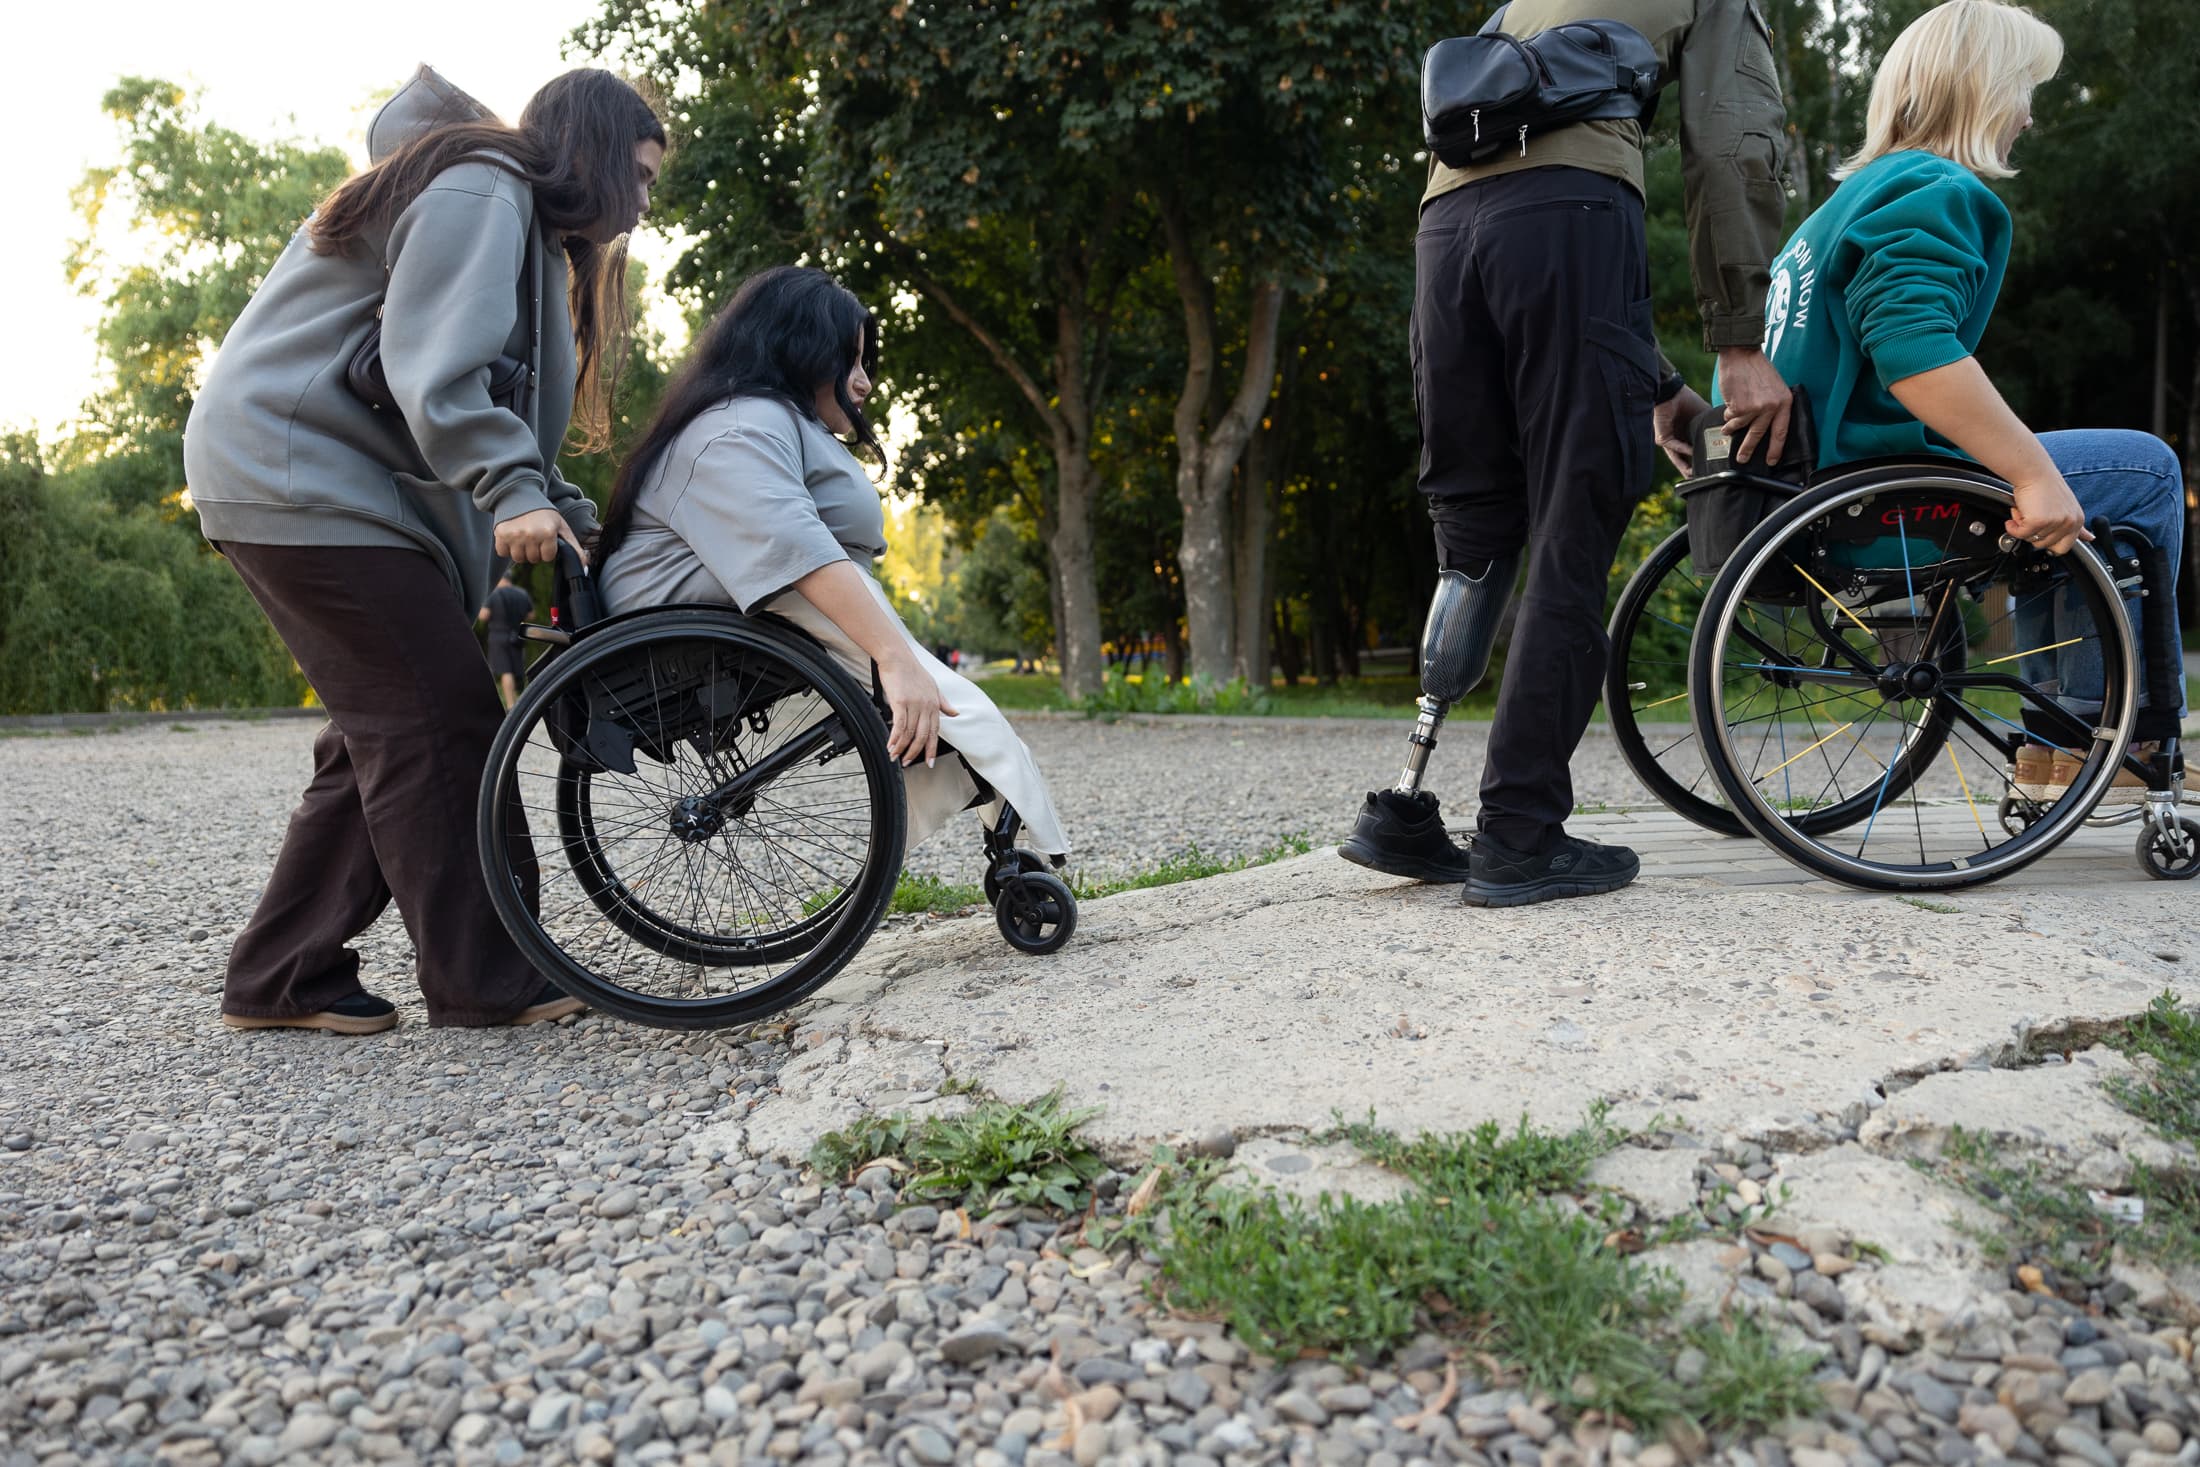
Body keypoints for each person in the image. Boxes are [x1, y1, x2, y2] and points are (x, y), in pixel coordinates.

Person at [184, 66, 666, 1033]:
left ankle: (281, 976)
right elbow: (436, 372)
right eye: (644, 176)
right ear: (597, 150)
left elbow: (511, 414)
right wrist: (515, 491)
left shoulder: (530, 233)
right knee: (439, 718)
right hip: (297, 476)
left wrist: (567, 507)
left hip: (314, 484)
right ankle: (489, 980)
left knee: (378, 732)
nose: (647, 204)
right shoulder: (483, 185)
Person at [1670, 0, 2185, 796]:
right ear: (1983, 90)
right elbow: (1914, 358)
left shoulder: (1835, 211)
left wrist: (2027, 466)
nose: (2029, 115)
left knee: (2057, 480)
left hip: (1810, 497)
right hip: (1887, 508)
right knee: (2143, 470)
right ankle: (2116, 737)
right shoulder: (1933, 189)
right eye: (2024, 90)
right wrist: (2032, 470)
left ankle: (2056, 747)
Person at [1340, 0, 1792, 905]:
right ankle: (1521, 832)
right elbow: (1734, 142)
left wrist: (1655, 381)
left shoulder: (1518, 2)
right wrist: (1742, 341)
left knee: (1473, 525)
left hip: (1445, 233)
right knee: (1572, 517)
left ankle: (1403, 805)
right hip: (1571, 214)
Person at [595, 266, 1072, 865]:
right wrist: (893, 661)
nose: (866, 384)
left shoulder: (764, 420)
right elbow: (795, 549)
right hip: (708, 631)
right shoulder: (736, 428)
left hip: (772, 610)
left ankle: (1013, 829)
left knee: (955, 703)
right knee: (958, 706)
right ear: (802, 353)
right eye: (852, 363)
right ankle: (1027, 843)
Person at [478, 571, 534, 708]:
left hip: (498, 636)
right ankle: (522, 703)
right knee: (517, 670)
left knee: (505, 671)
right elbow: (531, 615)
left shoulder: (493, 594)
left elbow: (483, 616)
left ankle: (510, 706)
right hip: (517, 635)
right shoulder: (522, 593)